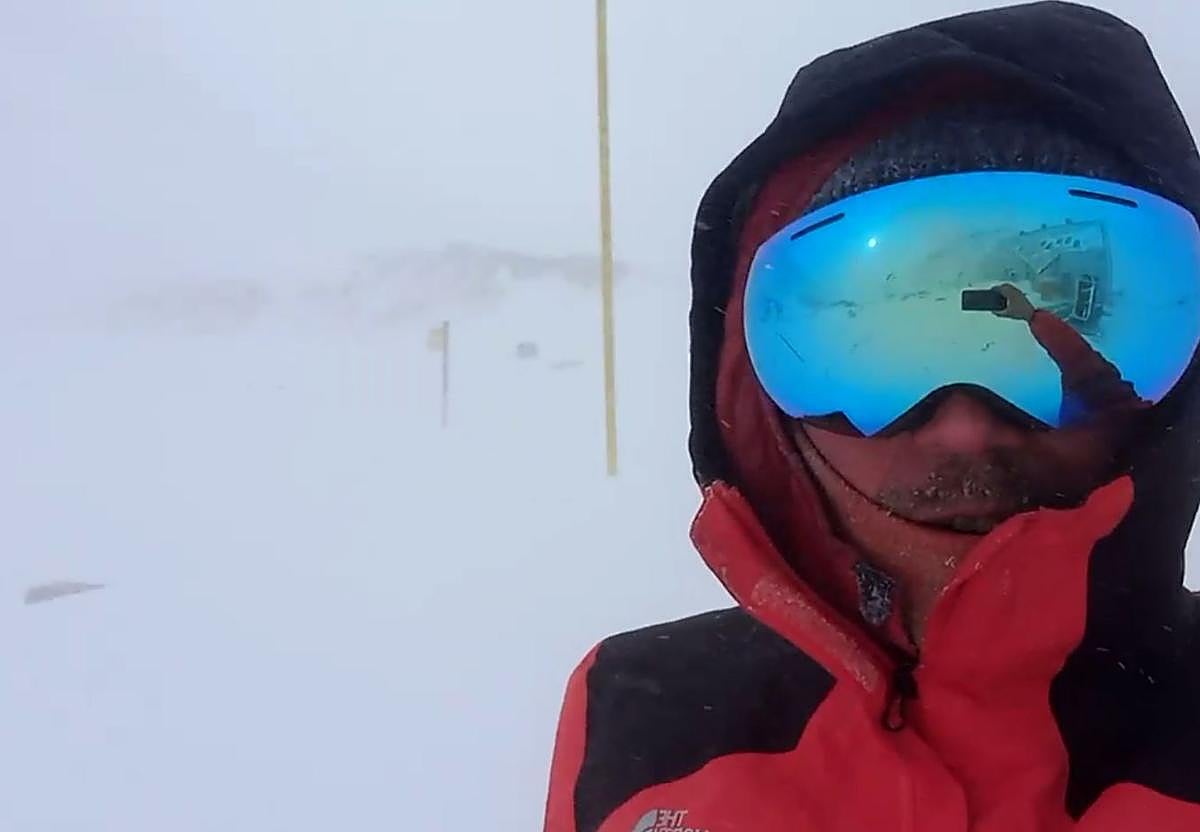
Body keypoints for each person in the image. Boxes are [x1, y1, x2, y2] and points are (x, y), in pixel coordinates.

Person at [544, 4, 1200, 831]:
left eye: (1035, 368)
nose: (964, 429)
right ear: (754, 390)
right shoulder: (637, 726)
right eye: (872, 349)